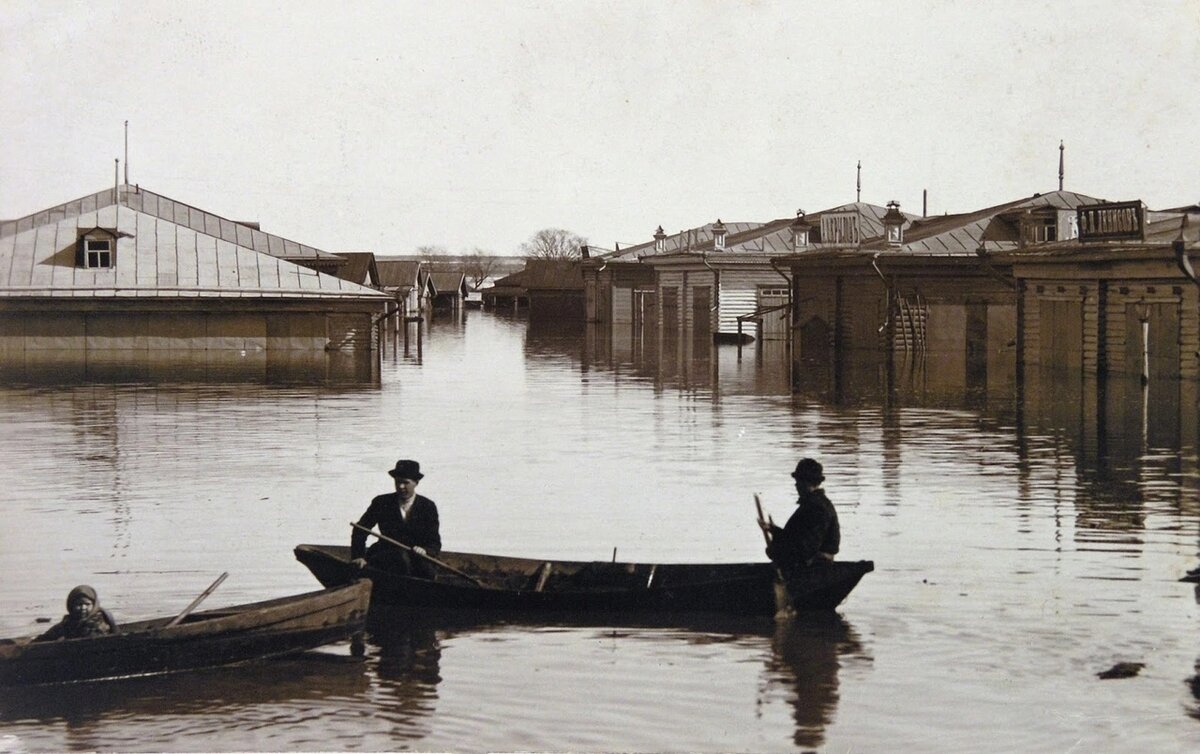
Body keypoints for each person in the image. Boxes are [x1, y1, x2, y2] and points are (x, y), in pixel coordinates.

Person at [351, 459, 441, 578]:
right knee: (400, 558)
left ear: (416, 482)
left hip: (416, 559)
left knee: (426, 571)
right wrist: (358, 557)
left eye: (405, 482)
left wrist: (425, 550)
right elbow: (360, 530)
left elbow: (434, 541)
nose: (401, 486)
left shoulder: (428, 506)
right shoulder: (381, 502)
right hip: (385, 557)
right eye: (397, 482)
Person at [762, 458, 840, 574]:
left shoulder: (817, 508)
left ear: (806, 482)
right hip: (808, 561)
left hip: (815, 566)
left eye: (798, 481)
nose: (796, 485)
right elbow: (796, 537)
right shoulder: (813, 504)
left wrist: (778, 552)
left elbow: (807, 548)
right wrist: (773, 530)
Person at [34, 585, 118, 642]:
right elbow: (49, 636)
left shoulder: (98, 622)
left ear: (93, 606)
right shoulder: (68, 622)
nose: (83, 608)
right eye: (79, 604)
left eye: (87, 604)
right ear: (71, 606)